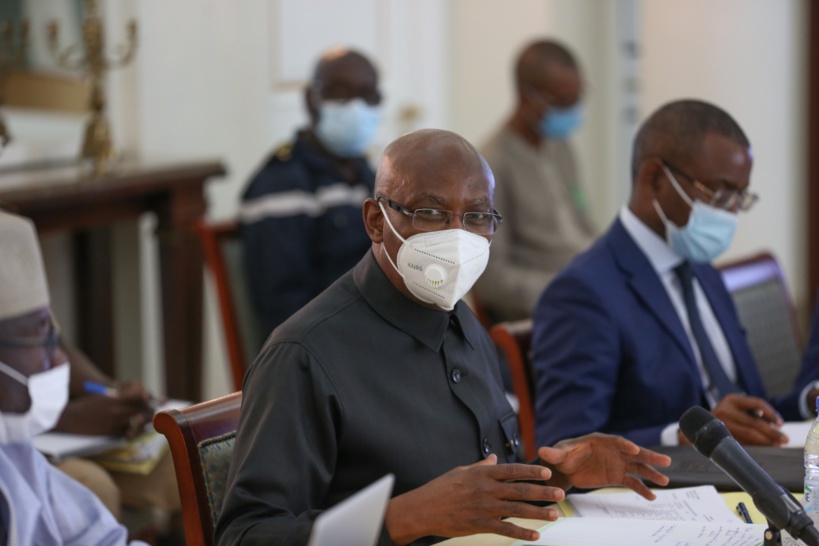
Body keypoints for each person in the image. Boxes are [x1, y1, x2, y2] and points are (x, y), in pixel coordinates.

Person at [215, 129, 671, 546]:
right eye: (431, 213)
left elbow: (473, 495)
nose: (458, 236)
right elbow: (245, 534)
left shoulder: (465, 325)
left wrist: (555, 475)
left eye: (476, 216)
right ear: (376, 221)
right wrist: (403, 517)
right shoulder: (304, 355)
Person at [532, 99, 819, 449]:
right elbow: (565, 447)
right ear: (654, 178)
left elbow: (747, 412)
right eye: (719, 194)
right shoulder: (583, 292)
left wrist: (808, 401)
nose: (731, 213)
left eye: (739, 197)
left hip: (748, 475)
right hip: (670, 493)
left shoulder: (703, 272)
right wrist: (683, 435)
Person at [0, 210, 147, 545]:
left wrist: (111, 388)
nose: (60, 358)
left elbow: (97, 538)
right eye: (42, 337)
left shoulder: (15, 454)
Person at [240, 46, 382, 334]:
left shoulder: (372, 176)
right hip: (324, 352)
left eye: (367, 95)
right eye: (340, 92)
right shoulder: (280, 185)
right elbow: (284, 309)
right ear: (310, 99)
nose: (356, 107)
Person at [473, 39, 595, 323]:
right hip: (551, 309)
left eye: (578, 98)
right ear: (527, 97)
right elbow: (492, 278)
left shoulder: (560, 145)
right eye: (564, 102)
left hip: (588, 288)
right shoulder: (491, 166)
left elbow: (583, 225)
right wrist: (566, 291)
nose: (574, 110)